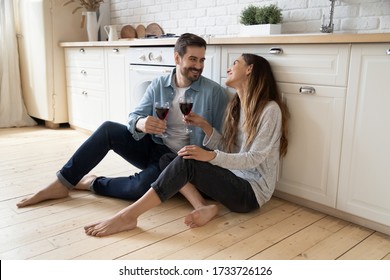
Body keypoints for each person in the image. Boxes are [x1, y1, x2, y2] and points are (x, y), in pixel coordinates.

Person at [83, 53, 289, 237]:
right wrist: (206, 127)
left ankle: (128, 216)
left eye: (235, 63)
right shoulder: (236, 106)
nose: (229, 68)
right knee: (169, 158)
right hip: (231, 179)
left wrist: (210, 156)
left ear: (249, 69)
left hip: (250, 193)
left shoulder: (270, 110)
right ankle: (203, 206)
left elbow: (253, 158)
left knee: (188, 161)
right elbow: (230, 149)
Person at [16, 33, 228, 210]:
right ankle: (62, 182)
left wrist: (204, 126)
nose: (198, 66)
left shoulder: (214, 93)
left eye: (202, 60)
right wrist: (141, 123)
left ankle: (93, 183)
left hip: (180, 160)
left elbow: (221, 141)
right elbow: (133, 117)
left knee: (137, 189)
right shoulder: (158, 85)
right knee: (108, 129)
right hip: (155, 147)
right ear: (177, 58)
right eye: (193, 59)